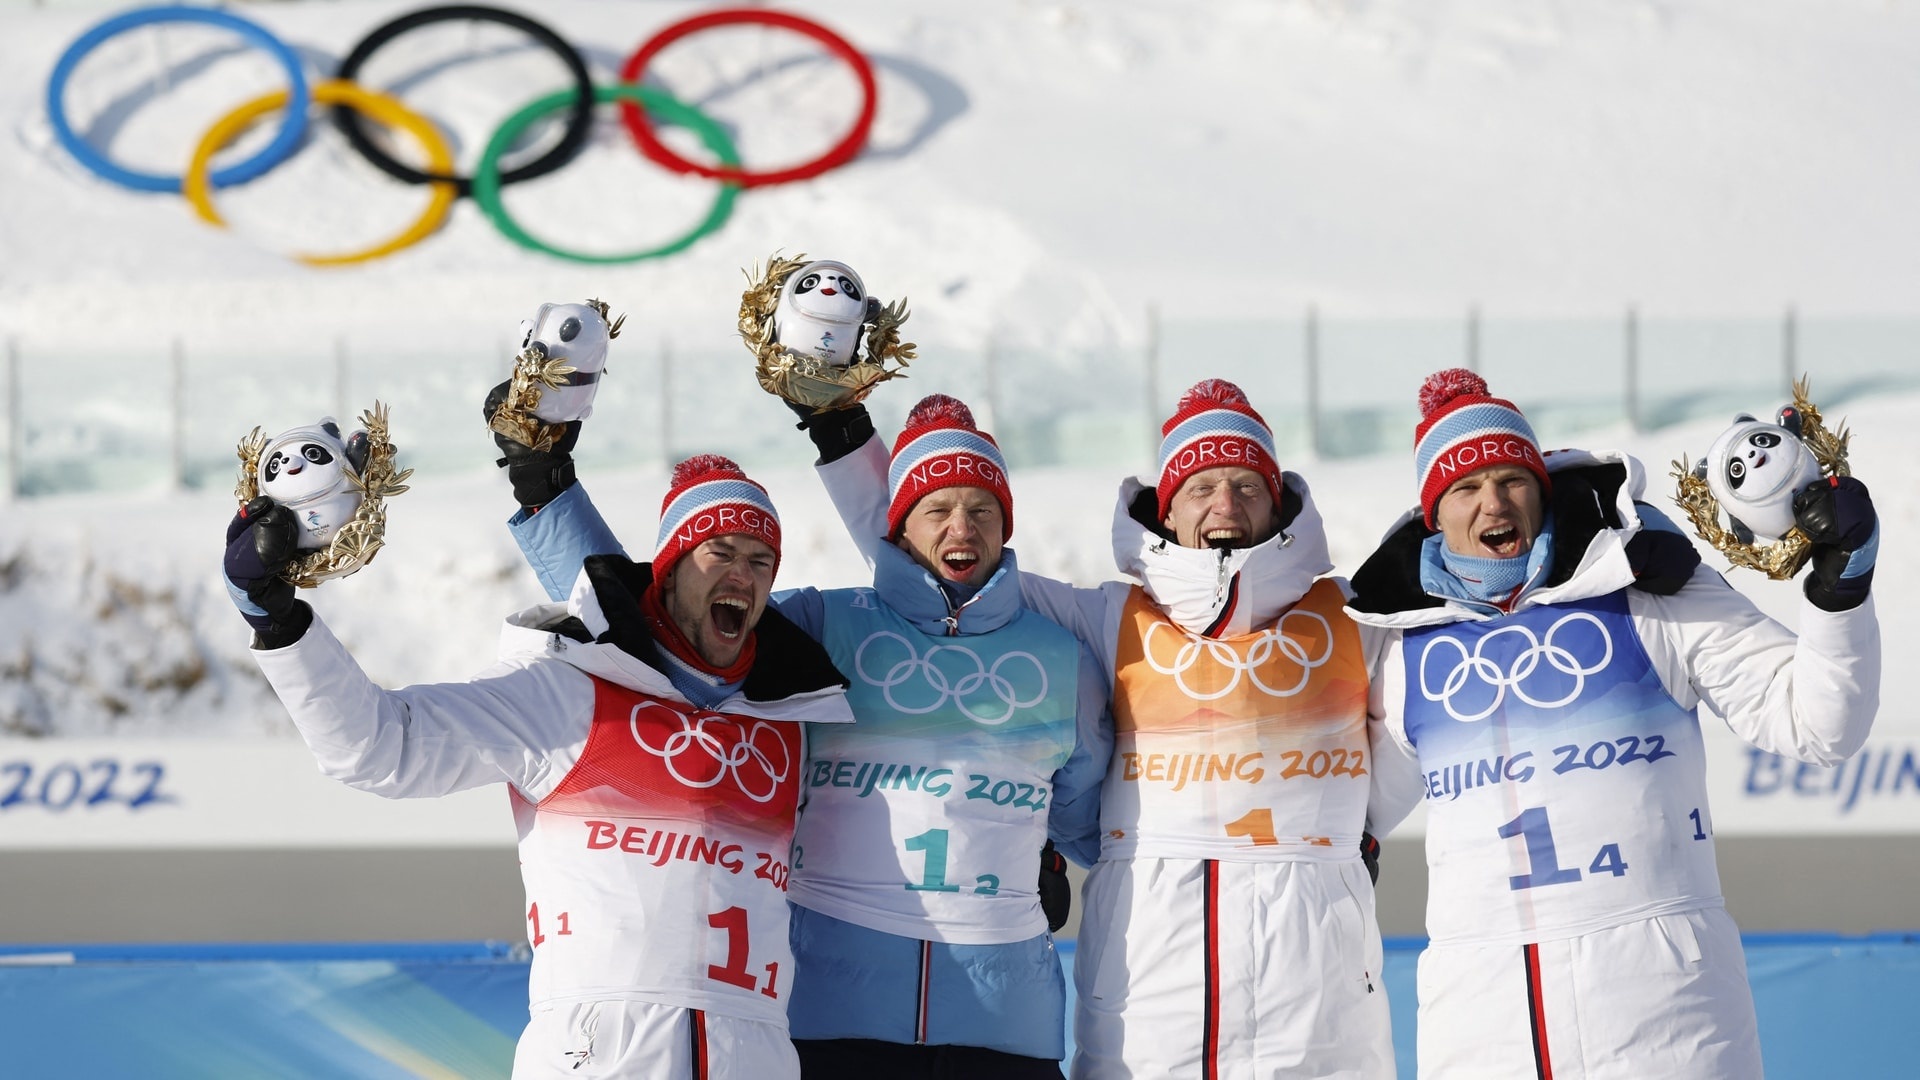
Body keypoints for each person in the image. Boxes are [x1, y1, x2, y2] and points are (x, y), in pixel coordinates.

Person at [496, 393, 1110, 1077]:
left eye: (984, 510)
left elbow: (1094, 823)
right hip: (831, 1018)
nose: (962, 527)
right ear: (898, 525)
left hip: (1005, 1027)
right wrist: (548, 493)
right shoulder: (828, 627)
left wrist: (1046, 847)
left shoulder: (1064, 661)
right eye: (936, 508)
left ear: (1006, 527)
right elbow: (662, 628)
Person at [809, 378, 1395, 1078]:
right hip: (1152, 981)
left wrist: (1357, 823)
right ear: (1168, 507)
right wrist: (840, 431)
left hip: (1313, 975)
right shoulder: (1113, 618)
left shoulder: (1357, 615)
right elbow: (936, 561)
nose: (1226, 505)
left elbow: (1421, 732)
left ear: (1280, 502)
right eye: (1203, 485)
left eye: (1247, 485)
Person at [223, 456, 855, 1079]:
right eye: (720, 552)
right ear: (667, 570)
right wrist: (278, 622)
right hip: (602, 1054)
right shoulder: (568, 691)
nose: (743, 576)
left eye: (761, 561)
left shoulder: (791, 721)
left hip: (754, 1055)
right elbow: (379, 747)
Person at [1348, 369, 1882, 1078]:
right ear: (1432, 516)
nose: (1494, 503)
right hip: (1480, 1028)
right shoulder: (1401, 648)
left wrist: (1842, 588)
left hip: (1668, 1020)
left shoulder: (1649, 590)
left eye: (1512, 479)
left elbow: (1818, 725)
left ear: (1542, 489)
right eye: (1465, 489)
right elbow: (1340, 814)